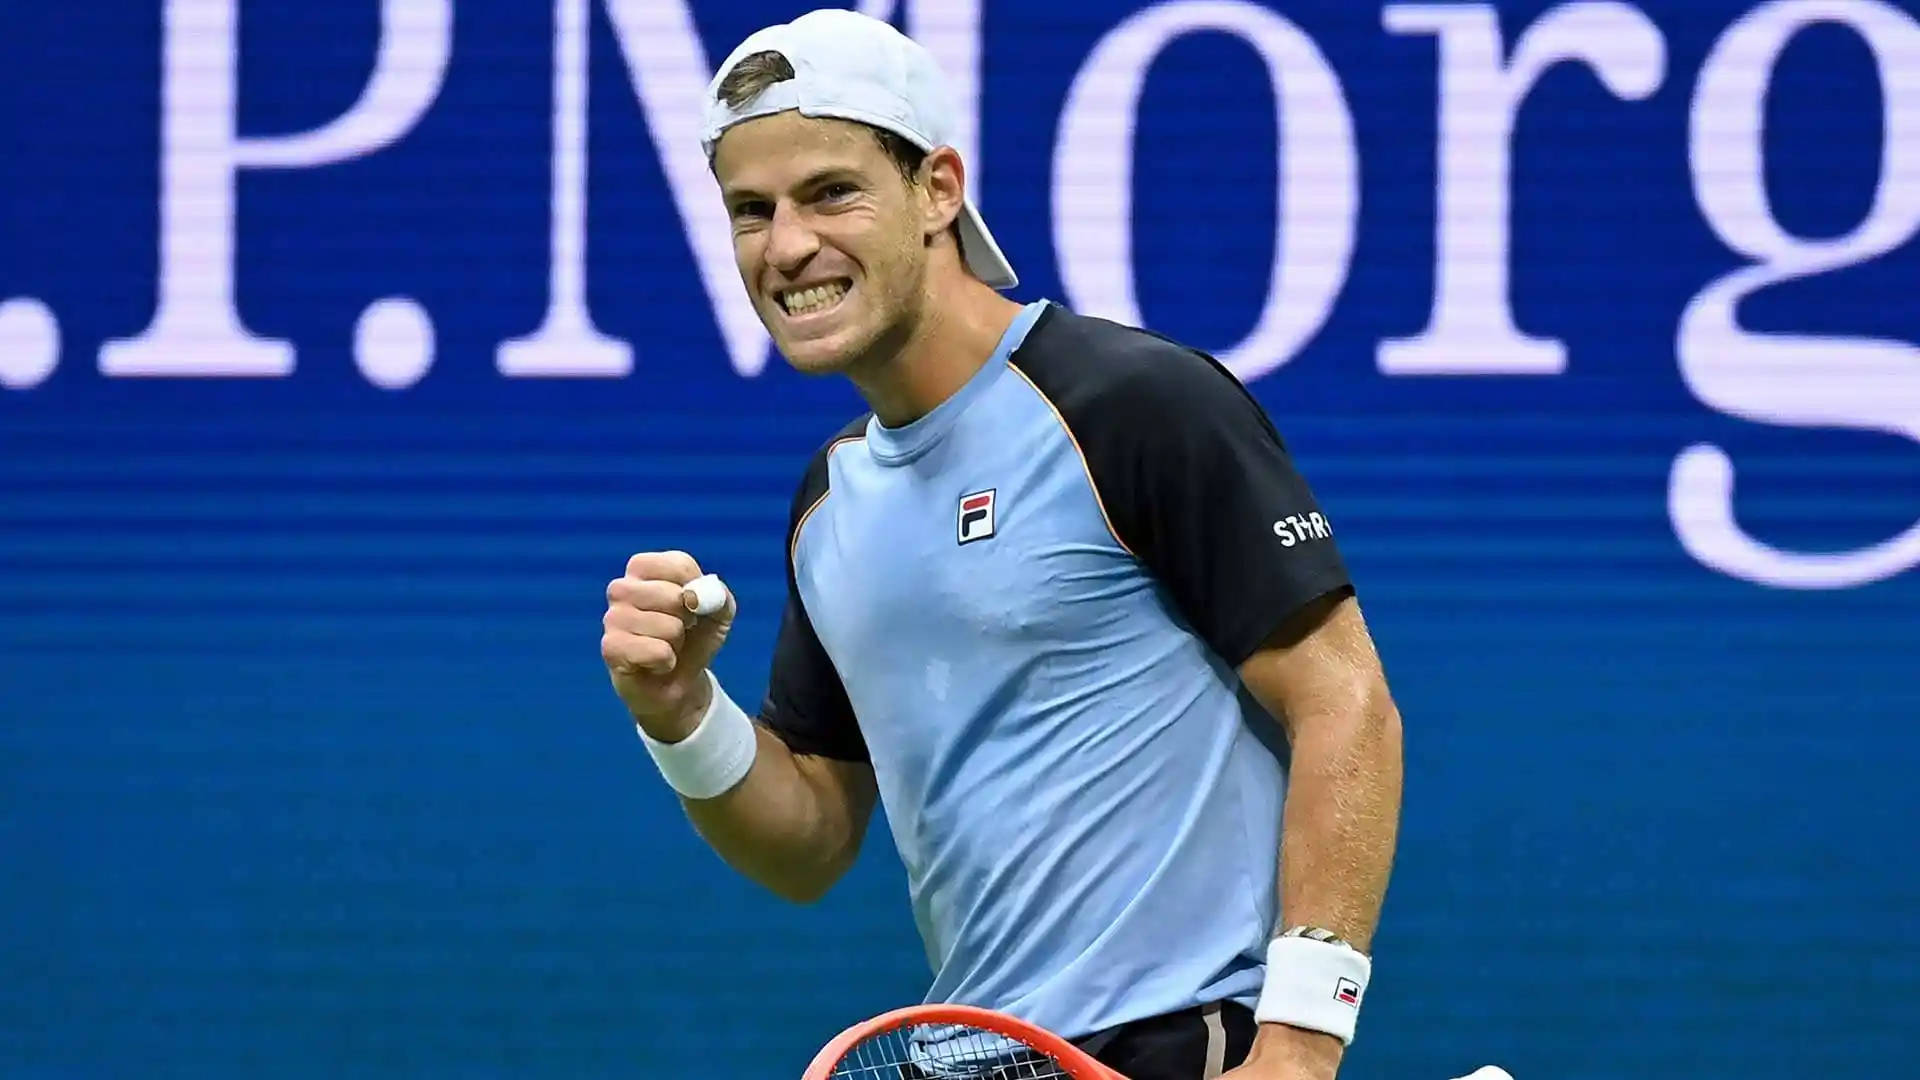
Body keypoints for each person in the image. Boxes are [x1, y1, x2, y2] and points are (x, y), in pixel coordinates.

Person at [599, 10, 1403, 1080]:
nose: (786, 246)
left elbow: (1346, 703)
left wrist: (1300, 1044)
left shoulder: (1134, 408)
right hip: (971, 1060)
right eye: (752, 210)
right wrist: (681, 714)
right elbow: (809, 842)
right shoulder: (829, 500)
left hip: (1182, 1042)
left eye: (831, 192)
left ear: (938, 189)